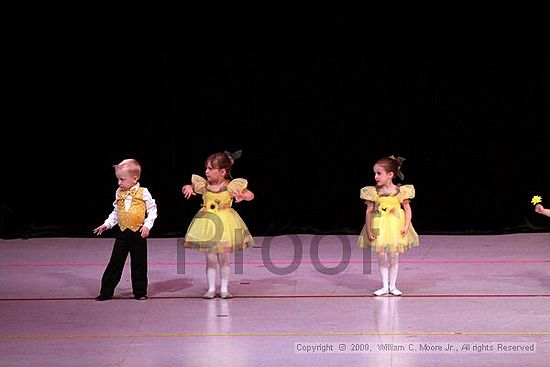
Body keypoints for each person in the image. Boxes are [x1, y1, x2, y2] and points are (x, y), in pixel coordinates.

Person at [181, 151, 254, 299]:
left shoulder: (231, 186)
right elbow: (191, 186)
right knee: (211, 258)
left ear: (222, 171)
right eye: (206, 168)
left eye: (209, 169)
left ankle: (225, 288)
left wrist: (242, 196)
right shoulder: (204, 185)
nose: (206, 171)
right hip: (208, 225)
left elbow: (250, 195)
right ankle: (211, 288)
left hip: (226, 224)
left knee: (224, 258)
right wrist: (188, 187)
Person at [93, 159, 158, 301]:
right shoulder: (119, 193)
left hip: (137, 232)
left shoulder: (143, 192)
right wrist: (107, 224)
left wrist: (147, 226)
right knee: (115, 262)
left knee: (139, 263)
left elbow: (152, 211)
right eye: (118, 179)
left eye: (122, 179)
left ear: (134, 179)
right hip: (122, 233)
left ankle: (140, 292)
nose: (119, 183)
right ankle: (106, 292)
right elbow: (116, 212)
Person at [357, 155, 419, 296]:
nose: (376, 177)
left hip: (395, 226)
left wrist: (405, 225)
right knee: (382, 255)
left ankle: (393, 286)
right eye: (375, 173)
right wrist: (368, 229)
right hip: (379, 225)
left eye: (379, 173)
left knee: (394, 255)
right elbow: (369, 212)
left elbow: (407, 209)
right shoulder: (374, 192)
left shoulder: (400, 191)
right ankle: (385, 286)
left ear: (390, 175)